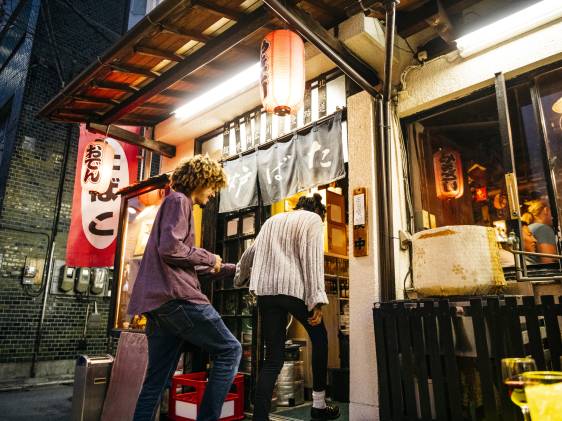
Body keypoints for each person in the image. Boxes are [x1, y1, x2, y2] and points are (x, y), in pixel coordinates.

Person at [128, 155, 241, 421]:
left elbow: (183, 263)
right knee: (230, 350)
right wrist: (208, 257)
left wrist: (232, 269)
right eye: (212, 186)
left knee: (155, 382)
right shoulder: (180, 200)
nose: (212, 194)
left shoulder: (171, 203)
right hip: (178, 299)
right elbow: (172, 250)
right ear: (200, 180)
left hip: (159, 306)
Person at [235, 193, 340, 421]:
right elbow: (312, 261)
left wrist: (240, 278)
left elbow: (250, 253)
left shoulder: (272, 221)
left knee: (273, 358)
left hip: (266, 293)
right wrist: (316, 301)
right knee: (320, 338)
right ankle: (319, 406)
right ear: (318, 213)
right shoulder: (312, 220)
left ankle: (260, 416)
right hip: (293, 290)